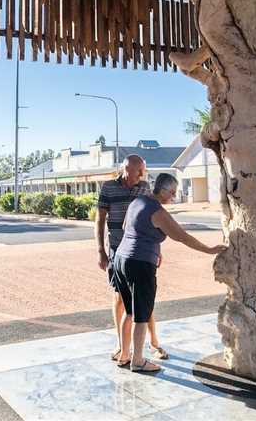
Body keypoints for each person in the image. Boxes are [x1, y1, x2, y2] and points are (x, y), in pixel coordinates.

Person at [113, 173, 225, 373]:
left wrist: (155, 248)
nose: (173, 197)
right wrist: (209, 250)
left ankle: (124, 354)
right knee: (141, 314)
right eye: (172, 193)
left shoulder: (137, 201)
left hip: (121, 260)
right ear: (162, 190)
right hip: (140, 264)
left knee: (129, 311)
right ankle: (137, 361)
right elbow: (182, 237)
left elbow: (127, 227)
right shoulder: (158, 212)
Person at [95, 155, 162, 362]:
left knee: (144, 298)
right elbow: (100, 219)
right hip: (117, 250)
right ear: (125, 169)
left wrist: (157, 249)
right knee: (120, 299)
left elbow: (154, 220)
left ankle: (154, 342)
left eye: (143, 170)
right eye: (138, 170)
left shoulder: (144, 187)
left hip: (142, 250)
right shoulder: (108, 187)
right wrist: (101, 250)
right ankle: (121, 344)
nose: (142, 175)